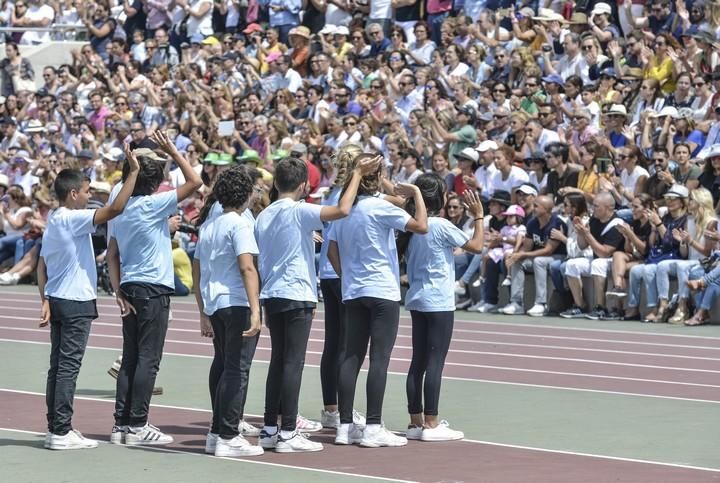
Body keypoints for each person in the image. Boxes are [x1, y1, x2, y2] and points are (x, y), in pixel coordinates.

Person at [254, 154, 379, 453]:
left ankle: (271, 427)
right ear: (302, 186)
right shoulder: (299, 210)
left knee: (278, 361)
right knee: (293, 362)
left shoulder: (264, 214)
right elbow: (343, 209)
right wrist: (358, 175)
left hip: (272, 293)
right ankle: (287, 432)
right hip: (296, 293)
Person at [38, 145, 140, 450]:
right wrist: (133, 173)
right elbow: (114, 210)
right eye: (86, 191)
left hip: (58, 299)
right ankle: (61, 430)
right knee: (67, 367)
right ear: (72, 194)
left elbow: (41, 266)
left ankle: (56, 427)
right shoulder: (72, 218)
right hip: (74, 302)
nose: (89, 195)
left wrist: (44, 299)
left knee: (58, 367)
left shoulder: (55, 218)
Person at [106, 131, 203, 446]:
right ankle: (138, 425)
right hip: (153, 288)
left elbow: (114, 253)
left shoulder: (120, 209)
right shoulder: (153, 204)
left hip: (131, 285)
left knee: (131, 357)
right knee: (149, 358)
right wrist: (174, 151)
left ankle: (121, 424)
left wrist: (118, 290)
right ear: (154, 182)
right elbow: (194, 182)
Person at [327, 154, 428, 448]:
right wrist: (417, 193)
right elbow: (421, 225)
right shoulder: (379, 207)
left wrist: (346, 274)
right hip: (381, 290)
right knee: (379, 359)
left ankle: (344, 426)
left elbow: (331, 248)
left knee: (350, 356)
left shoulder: (344, 210)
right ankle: (373, 426)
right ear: (377, 178)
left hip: (354, 289)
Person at [402, 176, 484, 442]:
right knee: (435, 361)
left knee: (418, 361)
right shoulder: (439, 225)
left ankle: (415, 422)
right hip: (438, 300)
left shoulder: (411, 226)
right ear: (439, 198)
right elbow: (476, 246)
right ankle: (432, 422)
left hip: (417, 298)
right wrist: (479, 217)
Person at [192, 167, 264, 458]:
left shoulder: (210, 224)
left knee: (223, 364)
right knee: (237, 369)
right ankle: (228, 434)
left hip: (215, 302)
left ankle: (215, 431)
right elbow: (247, 267)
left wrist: (202, 308)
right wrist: (256, 309)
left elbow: (197, 267)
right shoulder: (239, 223)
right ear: (246, 195)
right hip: (235, 302)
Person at [316, 144, 366, 430]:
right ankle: (345, 412)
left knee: (333, 343)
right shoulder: (352, 197)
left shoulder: (334, 193)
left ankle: (331, 409)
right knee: (348, 346)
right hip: (343, 273)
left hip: (328, 273)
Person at [559, 192, 626, 320]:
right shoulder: (594, 220)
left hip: (615, 261)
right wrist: (580, 231)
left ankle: (600, 307)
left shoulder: (617, 224)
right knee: (572, 264)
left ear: (609, 208)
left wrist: (587, 235)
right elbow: (582, 246)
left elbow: (605, 253)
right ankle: (580, 305)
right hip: (597, 257)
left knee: (598, 263)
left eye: (596, 206)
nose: (592, 209)